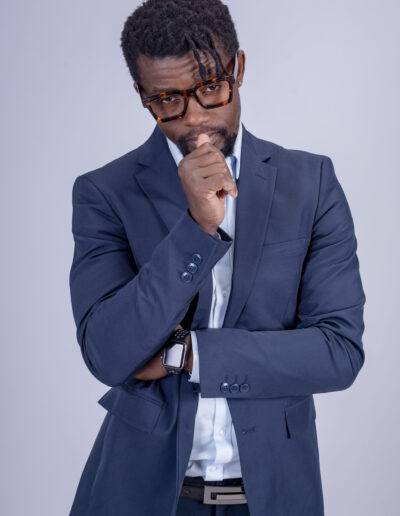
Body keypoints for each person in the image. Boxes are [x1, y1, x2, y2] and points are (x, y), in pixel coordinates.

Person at [68, 0, 366, 515]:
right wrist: (197, 227)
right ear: (142, 95)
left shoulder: (311, 183)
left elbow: (338, 352)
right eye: (167, 99)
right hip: (140, 494)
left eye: (210, 87)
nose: (195, 117)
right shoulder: (105, 193)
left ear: (238, 68)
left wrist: (188, 355)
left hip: (275, 496)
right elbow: (107, 353)